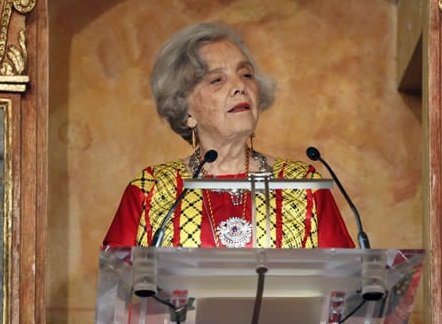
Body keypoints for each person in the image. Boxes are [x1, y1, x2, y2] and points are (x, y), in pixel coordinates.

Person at [103, 22, 355, 248]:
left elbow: (345, 284)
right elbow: (119, 287)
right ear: (186, 110)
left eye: (246, 74)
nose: (240, 86)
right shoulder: (152, 189)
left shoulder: (302, 185)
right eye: (216, 80)